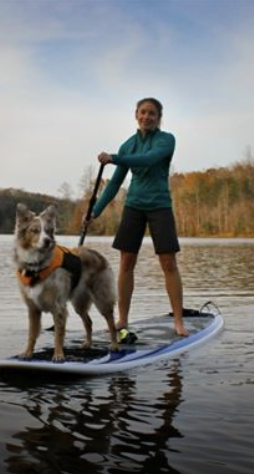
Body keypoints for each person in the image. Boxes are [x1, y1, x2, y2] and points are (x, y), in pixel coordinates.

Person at [89, 97, 188, 338]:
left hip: (159, 206)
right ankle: (122, 319)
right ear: (136, 114)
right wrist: (95, 211)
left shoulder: (166, 140)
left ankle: (178, 321)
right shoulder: (128, 145)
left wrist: (114, 157)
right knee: (126, 262)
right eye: (143, 112)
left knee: (168, 263)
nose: (147, 117)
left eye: (152, 113)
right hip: (133, 206)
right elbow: (115, 183)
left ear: (158, 117)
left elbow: (149, 159)